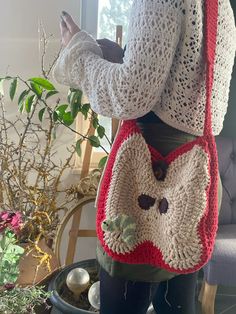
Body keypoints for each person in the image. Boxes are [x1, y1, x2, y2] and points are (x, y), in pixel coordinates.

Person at [53, 1, 236, 313]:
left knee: (122, 307)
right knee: (176, 304)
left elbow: (130, 96)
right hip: (191, 181)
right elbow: (181, 91)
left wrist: (79, 52)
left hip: (145, 177)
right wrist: (124, 60)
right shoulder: (222, 9)